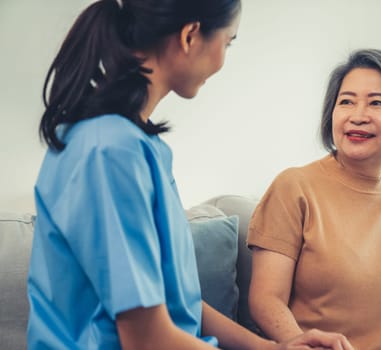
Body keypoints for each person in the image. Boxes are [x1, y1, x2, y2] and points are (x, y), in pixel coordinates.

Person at [26, 0, 354, 349]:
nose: (223, 60)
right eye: (227, 43)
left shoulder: (137, 147)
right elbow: (146, 338)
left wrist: (274, 348)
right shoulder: (108, 150)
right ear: (190, 35)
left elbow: (174, 303)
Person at [247, 49, 381, 350]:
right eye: (346, 102)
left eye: (377, 103)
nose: (357, 116)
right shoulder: (294, 188)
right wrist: (300, 343)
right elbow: (265, 299)